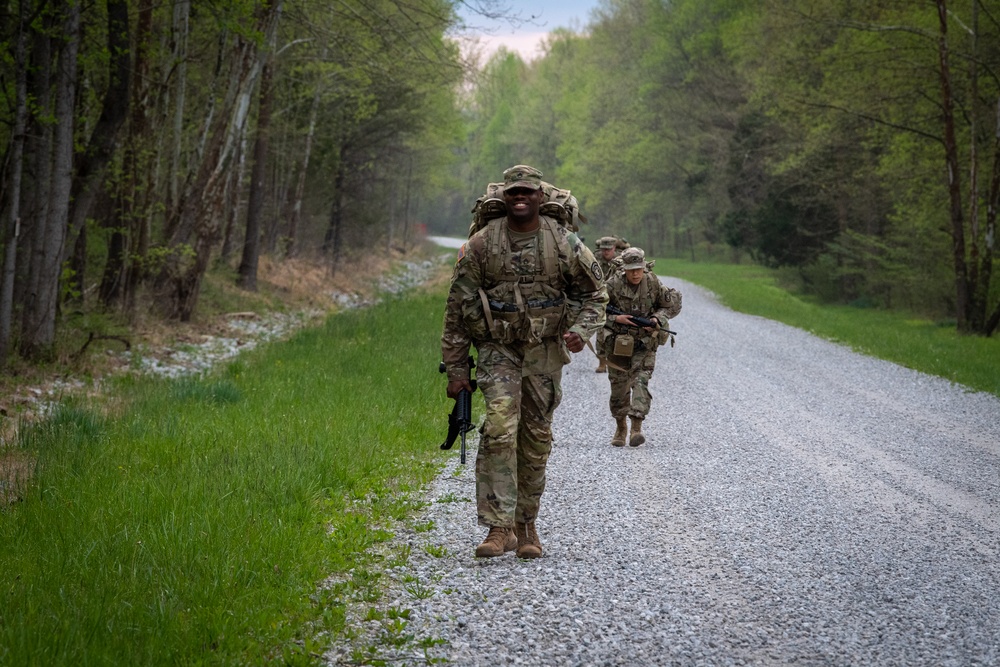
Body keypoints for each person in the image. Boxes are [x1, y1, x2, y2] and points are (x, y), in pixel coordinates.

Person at [441, 164, 608, 559]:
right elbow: (456, 308)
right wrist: (458, 369)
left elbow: (597, 295)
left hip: (543, 352)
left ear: (540, 197)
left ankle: (526, 524)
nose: (520, 198)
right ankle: (498, 528)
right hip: (498, 349)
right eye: (514, 192)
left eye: (527, 192)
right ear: (504, 197)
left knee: (534, 440)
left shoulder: (564, 243)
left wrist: (581, 331)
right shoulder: (483, 244)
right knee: (499, 428)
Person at [598, 247, 682, 447]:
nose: (635, 273)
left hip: (645, 342)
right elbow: (593, 308)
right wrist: (616, 318)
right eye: (631, 269)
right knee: (618, 387)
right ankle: (620, 427)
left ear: (644, 267)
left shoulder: (652, 283)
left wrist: (656, 318)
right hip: (618, 343)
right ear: (624, 269)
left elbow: (671, 305)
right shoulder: (612, 285)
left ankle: (636, 427)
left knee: (641, 381)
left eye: (639, 269)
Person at [593, 237, 621, 374]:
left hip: (617, 299)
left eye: (609, 249)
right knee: (601, 331)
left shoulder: (621, 260)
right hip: (600, 299)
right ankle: (602, 362)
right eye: (604, 249)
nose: (606, 252)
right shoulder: (595, 259)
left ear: (614, 249)